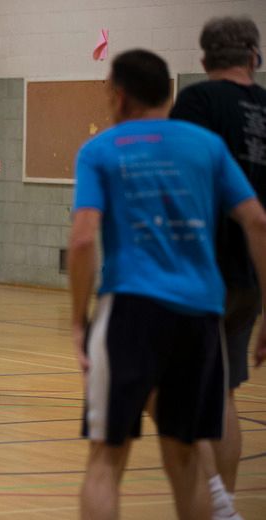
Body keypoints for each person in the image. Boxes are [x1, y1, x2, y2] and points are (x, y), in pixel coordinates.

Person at [68, 49, 266, 520]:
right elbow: (257, 222)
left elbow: (82, 239)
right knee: (184, 458)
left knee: (106, 459)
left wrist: (78, 320)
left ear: (118, 96)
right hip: (200, 317)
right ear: (168, 92)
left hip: (130, 312)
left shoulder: (101, 149)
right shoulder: (205, 146)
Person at [169, 16, 266, 519]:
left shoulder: (199, 103)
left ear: (205, 60)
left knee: (178, 394)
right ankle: (223, 504)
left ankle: (217, 503)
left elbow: (179, 181)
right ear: (255, 54)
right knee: (223, 391)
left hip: (203, 270)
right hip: (253, 274)